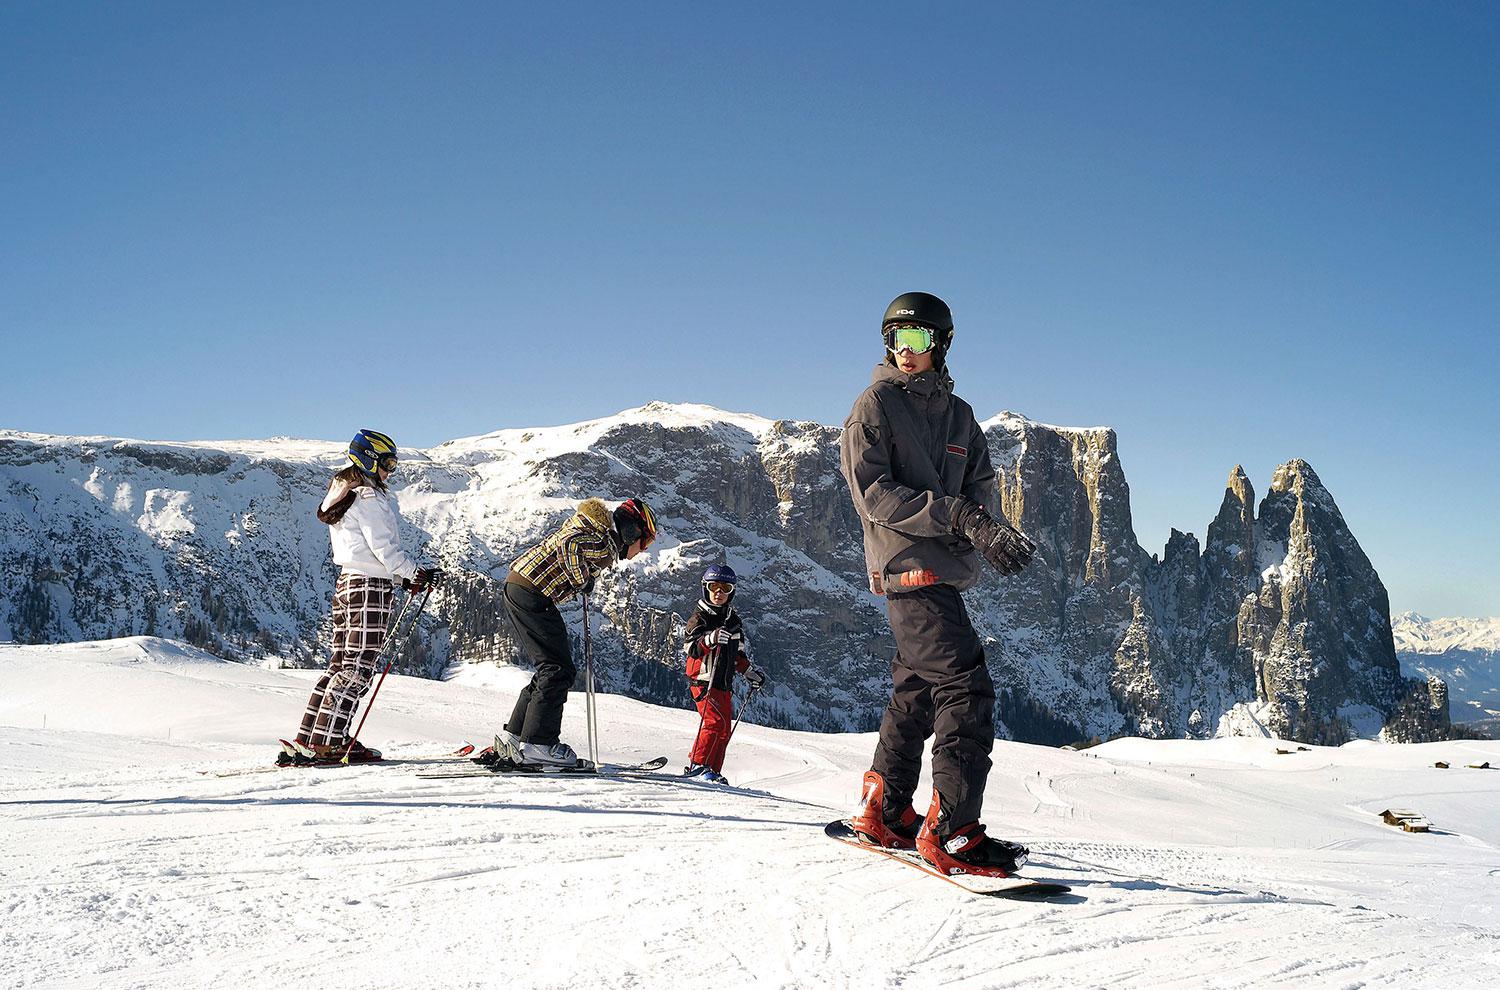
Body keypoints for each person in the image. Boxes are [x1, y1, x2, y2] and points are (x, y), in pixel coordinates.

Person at [838, 292, 1037, 877]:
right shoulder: (874, 406)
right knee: (965, 689)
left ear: (941, 344)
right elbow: (874, 495)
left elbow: (977, 484)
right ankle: (952, 829)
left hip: (944, 574)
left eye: (919, 340)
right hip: (907, 569)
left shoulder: (959, 416)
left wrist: (982, 525)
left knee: (918, 689)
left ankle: (886, 808)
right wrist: (955, 517)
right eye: (895, 340)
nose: (905, 351)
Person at [280, 429, 443, 766]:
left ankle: (312, 736)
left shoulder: (344, 491)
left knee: (340, 665)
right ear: (369, 458)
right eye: (388, 462)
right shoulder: (367, 497)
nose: (390, 470)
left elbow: (367, 550)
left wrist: (402, 575)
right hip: (370, 588)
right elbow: (383, 548)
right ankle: (328, 743)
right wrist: (414, 573)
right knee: (357, 669)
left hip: (350, 583)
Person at [496, 497, 658, 767]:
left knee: (550, 668)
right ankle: (540, 744)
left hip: (520, 587)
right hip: (532, 592)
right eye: (646, 542)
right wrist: (582, 579)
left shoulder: (597, 535)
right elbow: (568, 545)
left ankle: (515, 737)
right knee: (558, 670)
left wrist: (583, 577)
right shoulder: (603, 543)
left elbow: (570, 544)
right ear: (632, 532)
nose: (642, 550)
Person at [682, 564, 766, 785]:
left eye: (725, 588)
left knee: (724, 727)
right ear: (705, 588)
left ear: (732, 591)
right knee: (714, 722)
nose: (719, 593)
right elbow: (690, 647)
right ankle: (698, 765)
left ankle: (713, 770)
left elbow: (738, 654)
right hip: (703, 679)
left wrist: (749, 673)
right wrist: (709, 639)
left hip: (723, 681)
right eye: (714, 587)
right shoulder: (699, 617)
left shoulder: (733, 621)